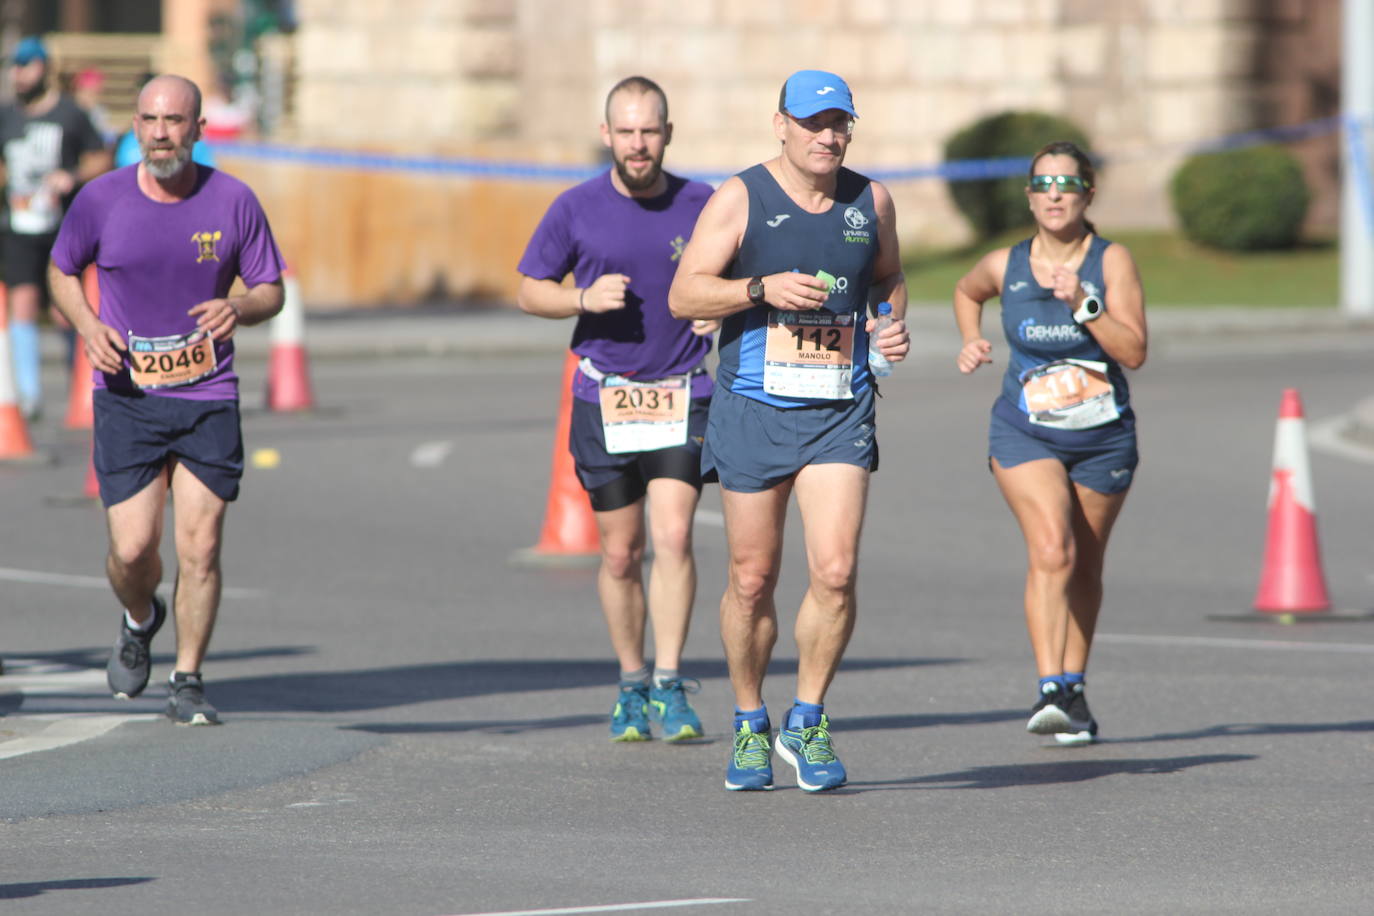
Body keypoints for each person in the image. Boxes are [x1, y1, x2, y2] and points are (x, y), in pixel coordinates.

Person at [668, 70, 909, 792]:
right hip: (753, 409)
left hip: (839, 406)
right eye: (813, 123)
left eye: (839, 124)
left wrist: (890, 324)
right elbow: (685, 292)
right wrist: (757, 289)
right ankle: (749, 722)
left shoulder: (872, 200)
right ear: (781, 126)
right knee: (752, 577)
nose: (828, 136)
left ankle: (809, 717)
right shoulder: (741, 197)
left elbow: (888, 278)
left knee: (834, 570)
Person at [48, 74, 286, 725]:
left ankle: (188, 678)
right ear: (136, 127)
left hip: (207, 394)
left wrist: (238, 305)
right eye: (150, 120)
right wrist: (89, 325)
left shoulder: (233, 201)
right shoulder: (102, 201)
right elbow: (61, 267)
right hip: (128, 396)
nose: (161, 133)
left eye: (175, 121)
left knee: (201, 546)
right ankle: (138, 616)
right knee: (132, 551)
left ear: (198, 129)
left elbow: (271, 289)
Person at [516, 76, 717, 742]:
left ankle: (668, 682)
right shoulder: (575, 208)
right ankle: (631, 681)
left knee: (677, 536)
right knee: (622, 553)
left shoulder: (704, 203)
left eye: (649, 131)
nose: (638, 144)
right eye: (626, 131)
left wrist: (724, 311)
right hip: (605, 395)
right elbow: (528, 290)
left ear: (668, 132)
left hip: (683, 388)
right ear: (607, 135)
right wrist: (580, 300)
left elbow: (736, 279)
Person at [952, 140, 1147, 745]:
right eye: (1043, 184)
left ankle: (1074, 685)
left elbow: (1134, 351)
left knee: (1085, 564)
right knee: (1053, 549)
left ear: (1088, 194)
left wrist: (1084, 305)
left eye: (1067, 183)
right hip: (1024, 429)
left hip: (1102, 438)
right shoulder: (1003, 263)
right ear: (1030, 196)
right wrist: (971, 339)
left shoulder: (1110, 262)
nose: (1054, 194)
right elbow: (965, 291)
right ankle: (1049, 688)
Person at [0, 36, 109, 419]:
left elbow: (100, 157)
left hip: (64, 225)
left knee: (66, 309)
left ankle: (81, 383)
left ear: (44, 68)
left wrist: (72, 176)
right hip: (18, 225)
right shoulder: (7, 116)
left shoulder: (69, 114)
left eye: (26, 65)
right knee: (22, 303)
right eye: (15, 65)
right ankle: (28, 396)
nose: (19, 73)